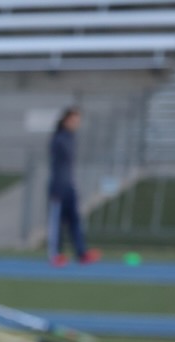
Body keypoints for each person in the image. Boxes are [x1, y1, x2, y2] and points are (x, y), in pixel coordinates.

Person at [47, 106, 100, 266]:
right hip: (58, 186)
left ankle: (81, 252)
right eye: (74, 120)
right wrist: (57, 188)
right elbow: (57, 165)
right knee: (57, 222)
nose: (77, 124)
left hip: (69, 185)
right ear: (66, 120)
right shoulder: (59, 139)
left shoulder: (71, 138)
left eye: (78, 121)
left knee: (75, 220)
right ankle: (55, 254)